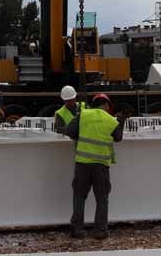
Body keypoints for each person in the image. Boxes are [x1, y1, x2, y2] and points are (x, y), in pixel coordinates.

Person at [64, 93, 125, 240]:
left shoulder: (83, 115)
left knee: (79, 196)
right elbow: (118, 138)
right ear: (105, 104)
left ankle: (77, 229)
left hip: (82, 164)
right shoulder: (110, 120)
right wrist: (121, 121)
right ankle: (100, 231)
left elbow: (69, 131)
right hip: (101, 166)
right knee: (102, 199)